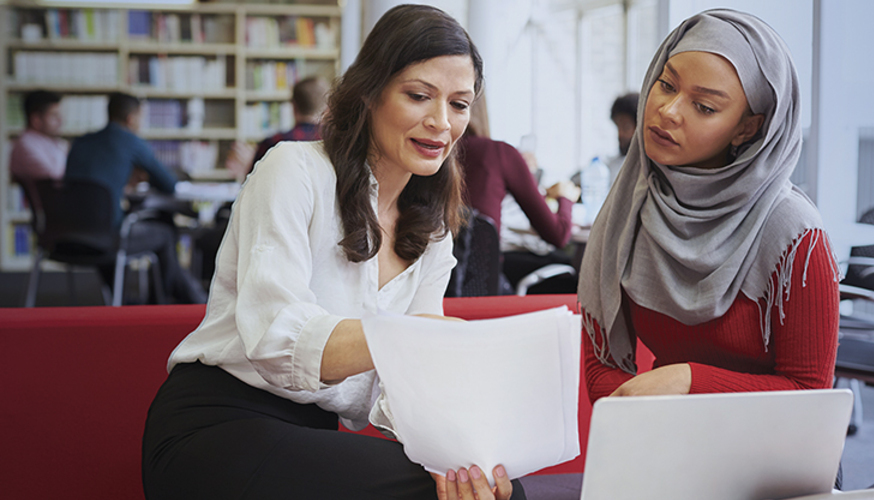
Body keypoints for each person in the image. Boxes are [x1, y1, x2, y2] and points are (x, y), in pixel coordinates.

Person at [142, 5, 523, 500]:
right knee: (421, 490)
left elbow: (403, 390)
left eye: (459, 103)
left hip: (307, 436)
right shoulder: (293, 171)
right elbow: (275, 339)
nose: (441, 123)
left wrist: (449, 454)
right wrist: (412, 337)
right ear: (368, 93)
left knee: (497, 489)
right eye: (418, 96)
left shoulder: (431, 233)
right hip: (217, 424)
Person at [578, 9, 840, 402]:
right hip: (666, 441)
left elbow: (809, 391)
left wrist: (687, 382)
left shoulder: (793, 234)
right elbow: (600, 366)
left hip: (771, 456)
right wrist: (651, 410)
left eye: (704, 107)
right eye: (666, 85)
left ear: (747, 127)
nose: (668, 111)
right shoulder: (632, 208)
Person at [65, 92, 207, 305]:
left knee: (116, 224)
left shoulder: (81, 143)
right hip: (107, 237)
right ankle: (175, 301)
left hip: (68, 234)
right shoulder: (130, 142)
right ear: (132, 118)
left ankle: (127, 299)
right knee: (165, 232)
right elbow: (169, 185)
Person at [458, 95, 581, 294]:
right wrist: (565, 197)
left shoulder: (428, 156)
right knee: (567, 271)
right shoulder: (499, 153)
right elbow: (559, 234)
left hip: (437, 288)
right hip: (484, 290)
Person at [224, 76, 330, 182]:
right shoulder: (334, 143)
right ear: (327, 108)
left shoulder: (273, 144)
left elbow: (255, 188)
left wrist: (248, 167)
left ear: (293, 106)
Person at [9, 90, 68, 182]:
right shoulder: (26, 145)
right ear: (36, 120)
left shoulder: (52, 142)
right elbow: (55, 178)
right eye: (54, 115)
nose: (60, 121)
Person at [607, 92, 639, 180]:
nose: (620, 134)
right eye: (618, 127)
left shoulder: (646, 168)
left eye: (626, 127)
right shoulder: (609, 165)